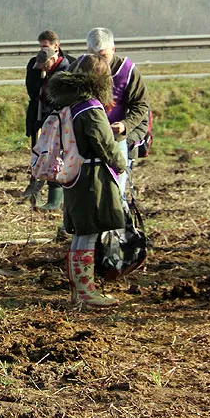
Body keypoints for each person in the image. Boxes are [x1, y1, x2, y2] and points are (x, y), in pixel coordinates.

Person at [47, 56, 129, 307]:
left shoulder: (69, 104)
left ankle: (81, 290)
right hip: (92, 180)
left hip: (76, 174)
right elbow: (105, 145)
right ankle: (85, 292)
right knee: (88, 233)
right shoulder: (90, 108)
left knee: (81, 234)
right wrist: (120, 163)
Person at [84, 27, 151, 196]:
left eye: (104, 56)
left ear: (113, 49)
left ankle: (119, 221)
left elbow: (141, 105)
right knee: (87, 191)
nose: (100, 62)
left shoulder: (127, 71)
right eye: (95, 56)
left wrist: (125, 125)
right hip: (86, 139)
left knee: (115, 193)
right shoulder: (79, 68)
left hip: (116, 139)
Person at [24, 30, 76, 210]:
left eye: (46, 46)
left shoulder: (68, 67)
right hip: (42, 117)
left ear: (55, 48)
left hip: (60, 120)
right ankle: (37, 186)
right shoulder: (35, 65)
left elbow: (61, 98)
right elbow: (32, 91)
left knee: (58, 155)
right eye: (40, 46)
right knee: (42, 152)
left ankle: (55, 198)